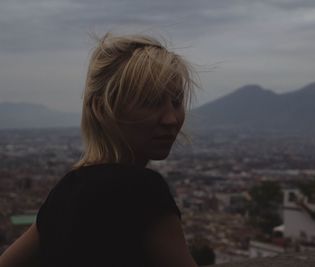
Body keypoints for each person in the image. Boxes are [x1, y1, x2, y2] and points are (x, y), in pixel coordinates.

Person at [0, 33, 198, 267]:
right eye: (151, 101)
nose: (171, 119)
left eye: (176, 102)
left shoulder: (66, 190)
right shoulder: (143, 192)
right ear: (102, 108)